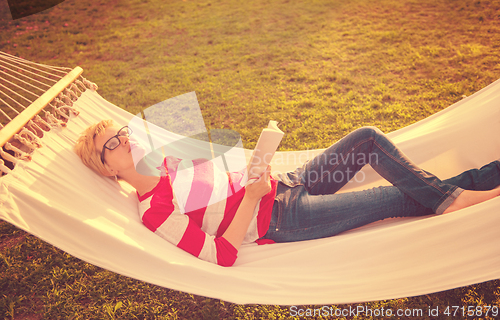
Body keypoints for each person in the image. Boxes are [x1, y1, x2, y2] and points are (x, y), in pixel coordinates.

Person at [74, 120, 500, 266]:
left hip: (289, 183)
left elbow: (227, 181)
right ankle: (461, 199)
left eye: (122, 134)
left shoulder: (168, 162)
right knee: (398, 196)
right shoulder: (154, 211)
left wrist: (256, 167)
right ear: (107, 169)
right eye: (111, 145)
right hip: (282, 218)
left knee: (367, 138)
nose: (124, 142)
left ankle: (478, 181)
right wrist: (255, 197)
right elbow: (221, 253)